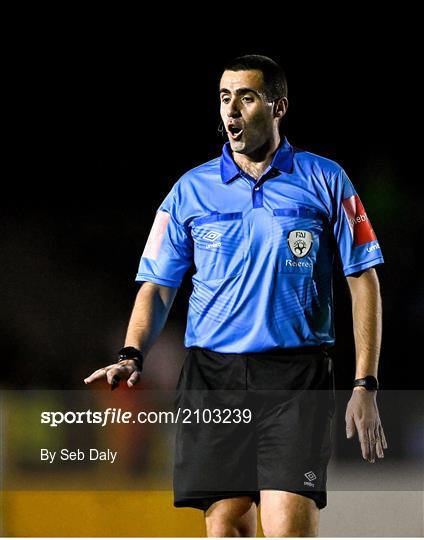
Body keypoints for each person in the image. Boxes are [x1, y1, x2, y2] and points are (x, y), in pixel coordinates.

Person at [84, 54, 388, 537]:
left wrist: (364, 384)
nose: (232, 110)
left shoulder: (326, 180)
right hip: (212, 376)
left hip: (296, 377)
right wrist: (131, 352)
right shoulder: (190, 190)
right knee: (226, 527)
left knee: (286, 526)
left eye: (246, 97)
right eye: (225, 98)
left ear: (278, 105)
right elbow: (159, 285)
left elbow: (363, 279)